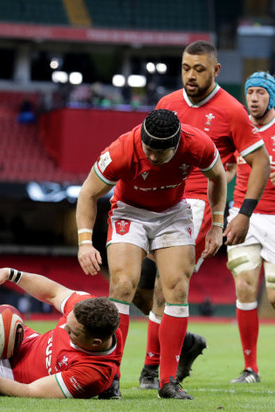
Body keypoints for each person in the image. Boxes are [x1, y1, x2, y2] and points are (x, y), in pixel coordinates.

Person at [135, 40, 270, 389]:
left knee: (169, 286)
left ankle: (153, 370)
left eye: (198, 69)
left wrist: (241, 215)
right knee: (137, 286)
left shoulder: (231, 110)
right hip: (158, 203)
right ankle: (181, 345)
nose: (190, 76)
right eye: (185, 68)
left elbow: (260, 162)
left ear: (216, 70)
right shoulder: (167, 104)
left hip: (197, 205)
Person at [77, 109, 227, 400]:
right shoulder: (122, 149)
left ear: (177, 143)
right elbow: (87, 193)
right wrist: (85, 242)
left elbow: (218, 176)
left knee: (177, 288)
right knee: (122, 285)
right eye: (149, 150)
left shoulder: (198, 144)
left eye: (162, 152)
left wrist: (217, 224)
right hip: (129, 212)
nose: (154, 157)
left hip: (173, 213)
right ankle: (111, 378)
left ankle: (168, 381)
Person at [0, 267, 123, 399]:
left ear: (95, 343)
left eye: (72, 332)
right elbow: (53, 293)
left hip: (5, 375)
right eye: (67, 322)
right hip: (16, 339)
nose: (63, 329)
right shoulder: (88, 308)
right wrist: (10, 274)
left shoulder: (92, 374)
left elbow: (31, 391)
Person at [226, 72, 275, 384]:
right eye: (250, 92)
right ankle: (250, 368)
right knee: (244, 285)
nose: (254, 98)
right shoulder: (237, 126)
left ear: (271, 97)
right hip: (244, 215)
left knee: (273, 296)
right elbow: (226, 169)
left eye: (260, 92)